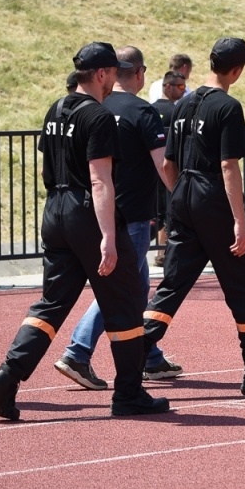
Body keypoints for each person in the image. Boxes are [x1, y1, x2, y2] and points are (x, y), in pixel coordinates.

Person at [0, 43, 170, 421]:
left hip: (55, 207)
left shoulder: (57, 108)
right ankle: (129, 394)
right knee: (127, 300)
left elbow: (47, 167)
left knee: (52, 303)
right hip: (86, 210)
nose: (116, 77)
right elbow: (100, 181)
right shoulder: (96, 116)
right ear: (101, 74)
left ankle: (8, 375)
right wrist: (108, 238)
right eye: (113, 71)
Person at [141, 37, 245, 397]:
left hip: (182, 192)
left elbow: (168, 163)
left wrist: (180, 195)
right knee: (243, 284)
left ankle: (133, 359)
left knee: (173, 285)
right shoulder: (227, 106)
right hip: (212, 194)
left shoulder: (183, 103)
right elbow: (229, 165)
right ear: (237, 70)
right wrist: (239, 222)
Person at [53, 47, 182, 391]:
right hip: (132, 215)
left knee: (138, 287)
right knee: (120, 290)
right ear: (139, 74)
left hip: (91, 210)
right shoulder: (143, 111)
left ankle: (149, 356)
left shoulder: (93, 107)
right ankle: (78, 351)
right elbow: (163, 164)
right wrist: (181, 200)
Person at [149, 69, 187, 266]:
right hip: (171, 168)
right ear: (167, 87)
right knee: (169, 211)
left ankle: (161, 251)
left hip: (151, 169)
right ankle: (165, 252)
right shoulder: (177, 111)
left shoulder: (150, 109)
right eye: (180, 86)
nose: (183, 90)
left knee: (158, 213)